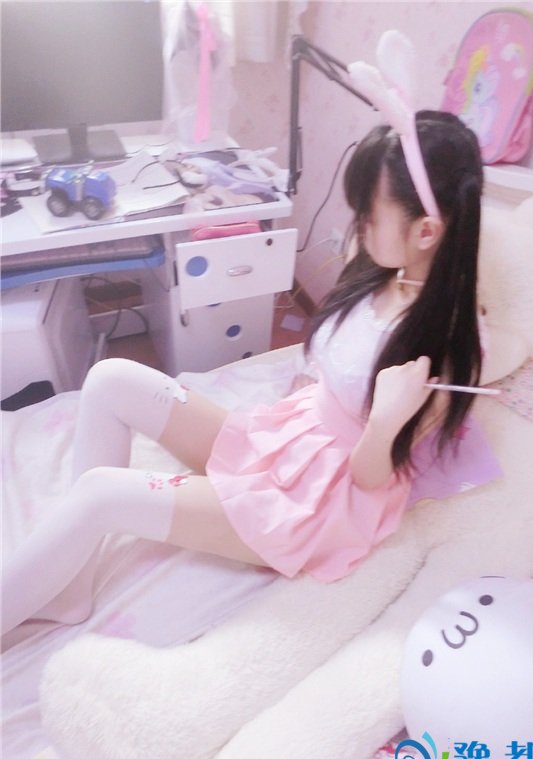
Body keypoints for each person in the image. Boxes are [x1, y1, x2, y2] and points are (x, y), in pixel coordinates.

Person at [2, 110, 491, 635]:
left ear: (426, 231)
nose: (358, 227)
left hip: (319, 502)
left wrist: (387, 419)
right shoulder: (381, 271)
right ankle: (72, 586)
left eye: (369, 217)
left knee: (101, 493)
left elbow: (373, 478)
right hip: (289, 442)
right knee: (110, 378)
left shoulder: (440, 345)